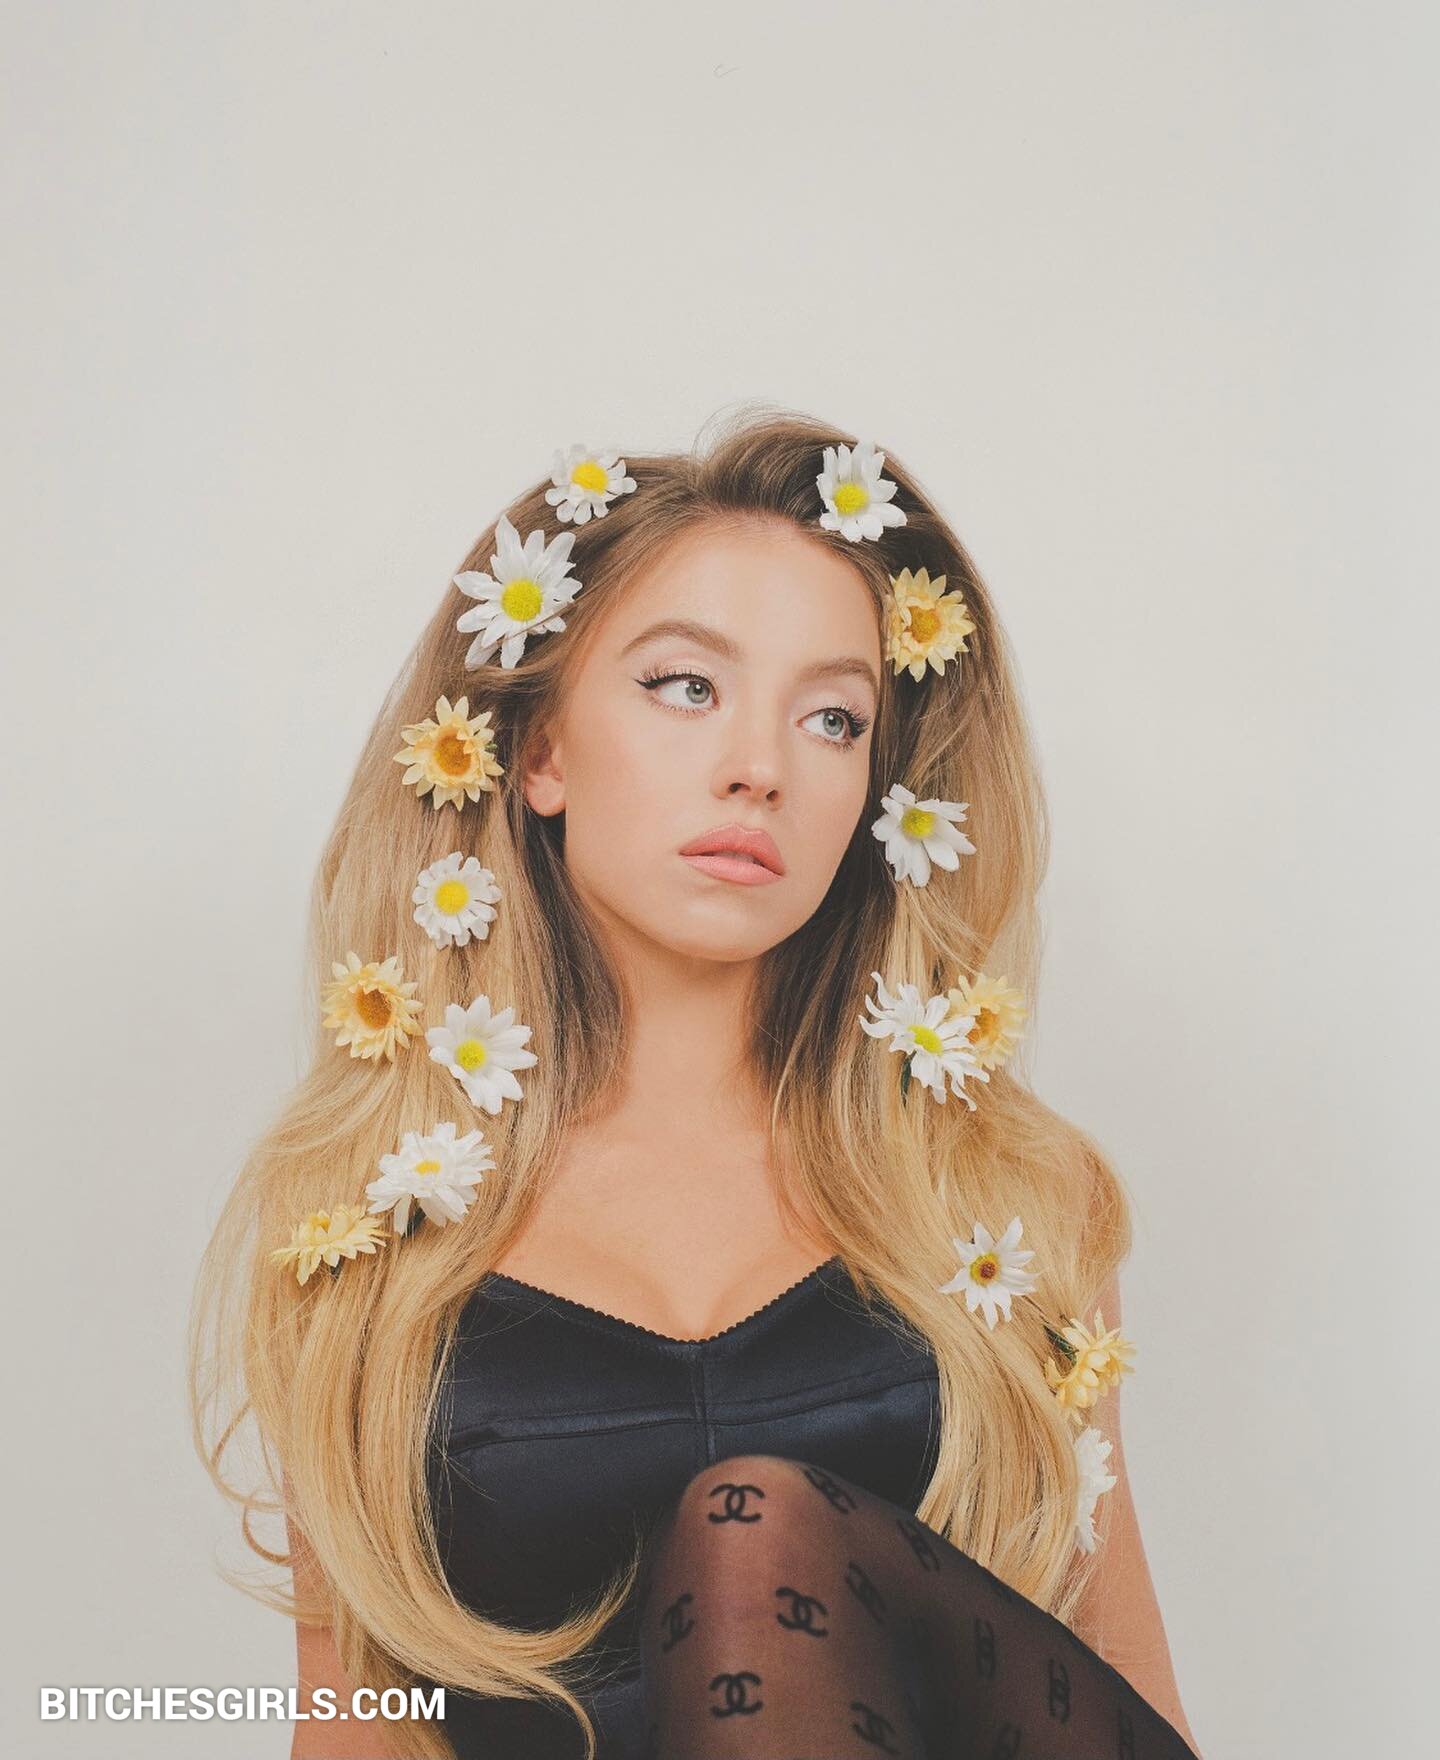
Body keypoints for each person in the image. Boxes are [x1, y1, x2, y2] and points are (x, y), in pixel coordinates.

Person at [189, 409, 1203, 1759]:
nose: (760, 769)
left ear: (875, 797)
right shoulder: (358, 1224)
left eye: (834, 719)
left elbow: (1113, 1673)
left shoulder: (1002, 1196)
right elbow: (356, 1725)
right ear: (538, 752)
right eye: (685, 686)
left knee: (756, 1526)